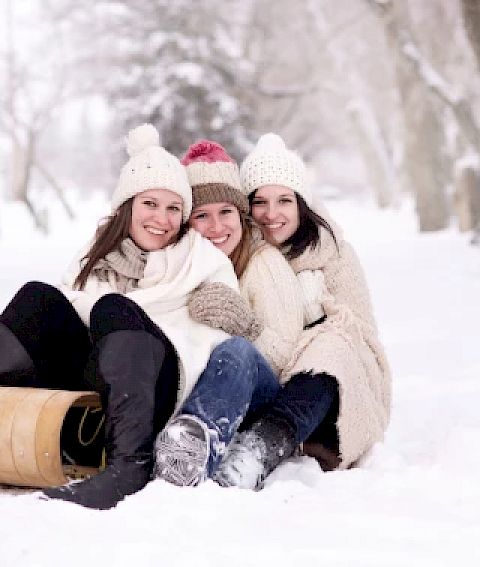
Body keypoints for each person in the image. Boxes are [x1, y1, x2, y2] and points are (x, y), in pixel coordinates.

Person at [0, 124, 240, 509]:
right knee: (38, 297)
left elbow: (211, 346)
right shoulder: (96, 256)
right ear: (127, 205)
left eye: (173, 208)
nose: (161, 219)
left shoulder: (203, 262)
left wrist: (117, 316)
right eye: (150, 204)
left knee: (113, 307)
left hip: (157, 395)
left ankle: (129, 465)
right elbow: (70, 314)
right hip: (90, 392)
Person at [192, 133, 392, 489]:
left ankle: (259, 449)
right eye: (260, 202)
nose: (272, 214)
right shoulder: (238, 250)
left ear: (302, 204)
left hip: (330, 384)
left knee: (333, 342)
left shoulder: (334, 254)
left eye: (284, 200)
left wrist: (317, 337)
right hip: (268, 377)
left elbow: (363, 333)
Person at [153, 140, 305, 486]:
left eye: (226, 213)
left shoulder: (262, 264)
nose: (216, 226)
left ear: (241, 215)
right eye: (202, 216)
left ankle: (191, 451)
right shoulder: (182, 265)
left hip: (258, 398)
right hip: (193, 387)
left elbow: (287, 360)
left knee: (235, 351)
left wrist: (246, 326)